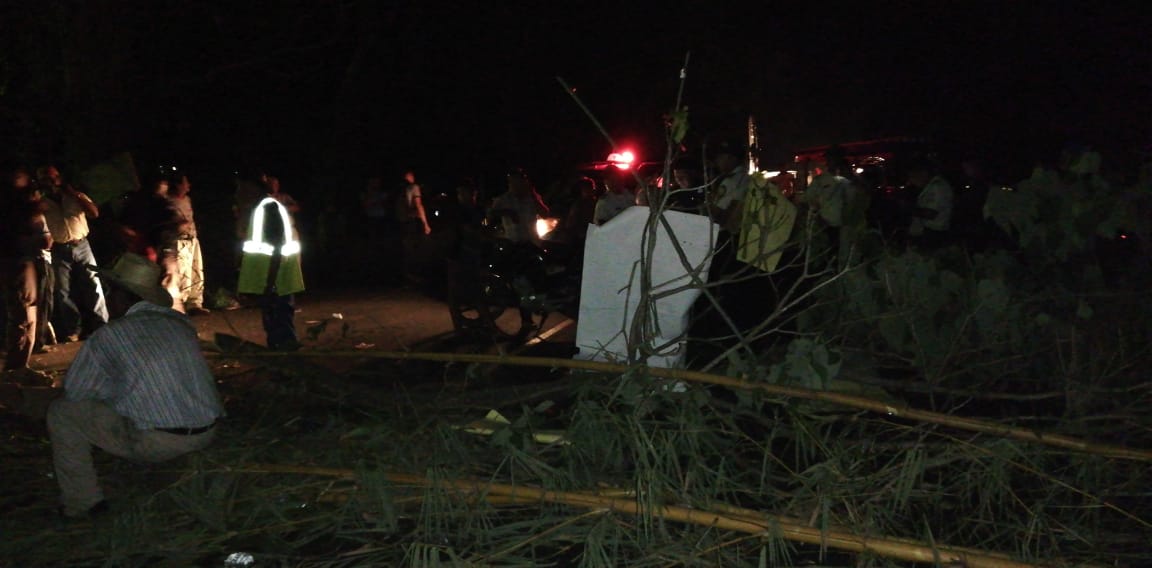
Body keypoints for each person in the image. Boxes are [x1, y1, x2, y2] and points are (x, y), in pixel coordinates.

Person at [46, 252, 224, 518]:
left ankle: (83, 503)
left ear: (122, 297)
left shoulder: (111, 335)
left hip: (160, 441)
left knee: (62, 413)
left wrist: (109, 387)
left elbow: (76, 391)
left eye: (110, 291)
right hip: (208, 432)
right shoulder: (180, 324)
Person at [38, 165, 109, 342]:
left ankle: (102, 325)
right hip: (59, 248)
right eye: (46, 178)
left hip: (82, 244)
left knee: (94, 285)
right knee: (62, 291)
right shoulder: (42, 202)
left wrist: (74, 194)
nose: (51, 181)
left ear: (60, 178)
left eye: (53, 177)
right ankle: (74, 329)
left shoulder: (75, 196)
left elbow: (94, 213)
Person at [237, 177, 305, 351]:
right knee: (276, 312)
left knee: (280, 310)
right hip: (273, 273)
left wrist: (270, 280)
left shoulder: (268, 208)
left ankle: (286, 345)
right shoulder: (262, 208)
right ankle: (280, 345)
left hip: (276, 274)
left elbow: (276, 246)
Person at [1, 167, 53, 379]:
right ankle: (16, 368)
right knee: (23, 314)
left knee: (25, 313)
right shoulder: (15, 208)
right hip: (19, 262)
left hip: (19, 261)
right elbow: (38, 239)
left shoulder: (15, 205)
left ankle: (19, 365)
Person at [166, 173, 210, 315]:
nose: (188, 186)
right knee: (183, 273)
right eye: (185, 183)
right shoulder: (169, 201)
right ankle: (181, 304)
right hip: (179, 241)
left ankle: (194, 303)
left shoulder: (187, 199)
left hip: (192, 239)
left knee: (196, 271)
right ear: (178, 185)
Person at [488, 167, 549, 247]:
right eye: (513, 182)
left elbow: (545, 215)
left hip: (533, 244)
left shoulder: (533, 197)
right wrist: (508, 212)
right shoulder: (503, 200)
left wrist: (533, 195)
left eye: (519, 181)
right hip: (513, 245)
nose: (516, 184)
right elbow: (490, 214)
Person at [906, 158, 954, 250]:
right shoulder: (930, 186)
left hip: (934, 234)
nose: (912, 181)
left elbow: (931, 213)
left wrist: (908, 209)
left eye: (913, 176)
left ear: (923, 173)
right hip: (928, 233)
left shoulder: (937, 187)